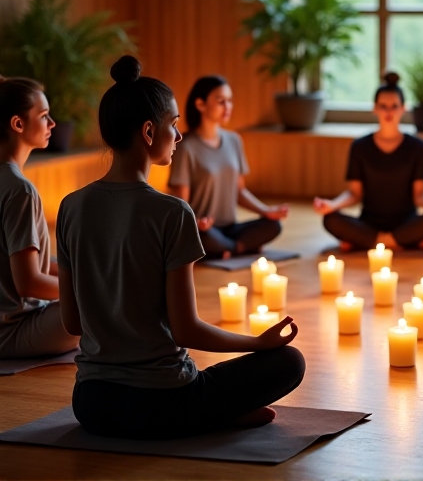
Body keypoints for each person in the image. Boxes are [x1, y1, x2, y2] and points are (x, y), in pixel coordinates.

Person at [57, 56, 305, 439]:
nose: (179, 136)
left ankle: (210, 414)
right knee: (289, 361)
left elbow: (73, 323)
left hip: (91, 404)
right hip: (162, 400)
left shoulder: (71, 207)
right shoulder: (171, 212)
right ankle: (211, 415)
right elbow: (185, 329)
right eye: (173, 126)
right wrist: (257, 342)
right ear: (148, 132)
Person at [313, 72, 423, 250]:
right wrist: (331, 205)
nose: (389, 112)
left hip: (405, 223)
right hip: (369, 223)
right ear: (375, 108)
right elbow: (354, 194)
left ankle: (373, 242)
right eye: (383, 106)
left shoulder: (417, 146)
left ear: (403, 108)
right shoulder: (360, 146)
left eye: (394, 106)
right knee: (330, 219)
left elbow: (420, 195)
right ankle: (398, 242)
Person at [168, 75, 288, 259]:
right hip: (203, 229)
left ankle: (228, 249)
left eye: (230, 101)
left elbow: (240, 191)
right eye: (221, 101)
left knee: (273, 225)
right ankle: (240, 248)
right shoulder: (186, 147)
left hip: (232, 227)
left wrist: (267, 211)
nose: (228, 107)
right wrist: (197, 223)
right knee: (202, 237)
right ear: (200, 104)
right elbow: (181, 202)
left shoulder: (234, 141)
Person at [0, 77, 78, 359]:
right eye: (44, 116)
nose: (53, 124)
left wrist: (83, 270)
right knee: (101, 303)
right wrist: (88, 288)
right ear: (18, 124)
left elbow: (29, 265)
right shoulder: (19, 190)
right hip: (12, 332)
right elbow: (29, 283)